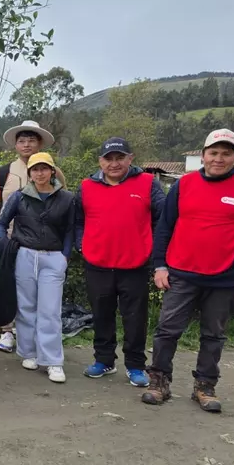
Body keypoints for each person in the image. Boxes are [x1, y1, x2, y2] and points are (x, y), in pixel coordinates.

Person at [143, 129, 234, 412]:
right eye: (213, 153)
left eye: (226, 154)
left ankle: (205, 386)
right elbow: (164, 228)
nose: (219, 159)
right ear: (203, 155)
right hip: (181, 274)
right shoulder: (183, 185)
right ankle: (159, 381)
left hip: (226, 278)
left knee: (214, 335)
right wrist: (159, 266)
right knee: (167, 331)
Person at [75, 137, 166, 387]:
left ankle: (136, 365)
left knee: (134, 318)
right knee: (101, 315)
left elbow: (163, 219)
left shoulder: (148, 183)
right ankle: (104, 360)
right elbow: (78, 220)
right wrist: (81, 244)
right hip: (98, 263)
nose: (114, 163)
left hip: (135, 264)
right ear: (100, 161)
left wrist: (154, 252)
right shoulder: (86, 186)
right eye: (108, 158)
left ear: (130, 158)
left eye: (119, 157)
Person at [0, 120, 65, 354]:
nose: (27, 144)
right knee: (7, 284)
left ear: (40, 143)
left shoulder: (54, 171)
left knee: (39, 289)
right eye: (22, 141)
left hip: (44, 242)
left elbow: (62, 205)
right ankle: (8, 332)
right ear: (15, 145)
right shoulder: (3, 172)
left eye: (31, 140)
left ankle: (37, 336)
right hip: (10, 239)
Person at [0, 152, 74, 384]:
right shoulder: (19, 197)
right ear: (29, 173)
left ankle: (52, 360)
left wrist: (66, 256)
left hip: (53, 256)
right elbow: (2, 223)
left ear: (52, 171)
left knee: (50, 310)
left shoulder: (67, 198)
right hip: (25, 255)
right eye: (35, 169)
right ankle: (28, 353)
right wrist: (5, 243)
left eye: (44, 168)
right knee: (26, 306)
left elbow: (70, 229)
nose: (40, 173)